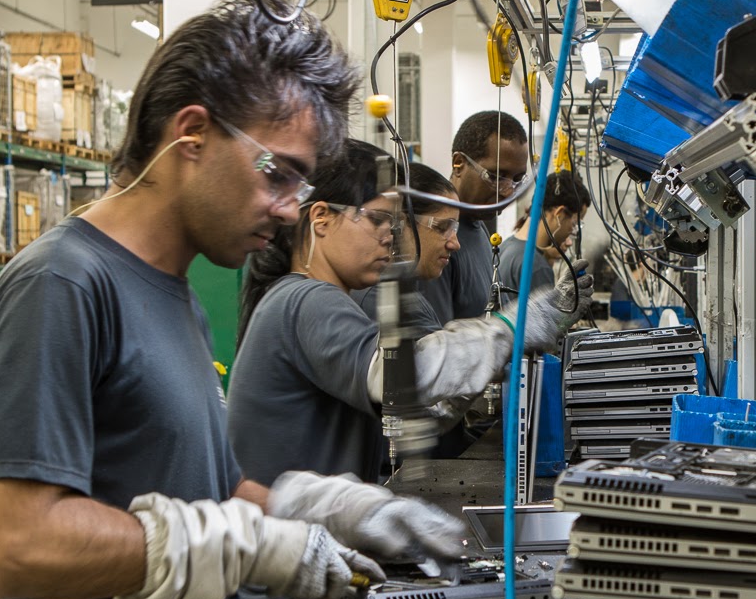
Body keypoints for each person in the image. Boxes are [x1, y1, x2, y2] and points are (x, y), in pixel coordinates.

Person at [0, 0, 461, 599]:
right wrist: (245, 546)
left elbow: (208, 486)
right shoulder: (62, 283)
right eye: (279, 174)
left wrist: (316, 513)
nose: (293, 209)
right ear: (191, 133)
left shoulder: (175, 292)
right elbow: (14, 545)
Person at [228, 144, 593, 488]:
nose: (391, 236)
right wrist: (513, 328)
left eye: (396, 223)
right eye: (378, 220)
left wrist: (492, 358)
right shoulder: (304, 299)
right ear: (321, 218)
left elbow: (409, 417)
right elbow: (403, 378)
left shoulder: (310, 298)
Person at [422, 111, 530, 326]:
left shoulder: (479, 228)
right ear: (459, 163)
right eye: (495, 176)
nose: (508, 192)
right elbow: (438, 344)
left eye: (517, 180)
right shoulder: (434, 239)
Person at [354, 161, 462, 335]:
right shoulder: (381, 298)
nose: (455, 244)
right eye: (442, 228)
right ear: (399, 224)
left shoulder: (404, 294)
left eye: (454, 229)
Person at [497, 169, 591, 296]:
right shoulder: (536, 266)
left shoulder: (504, 248)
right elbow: (542, 316)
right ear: (559, 214)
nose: (572, 233)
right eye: (574, 223)